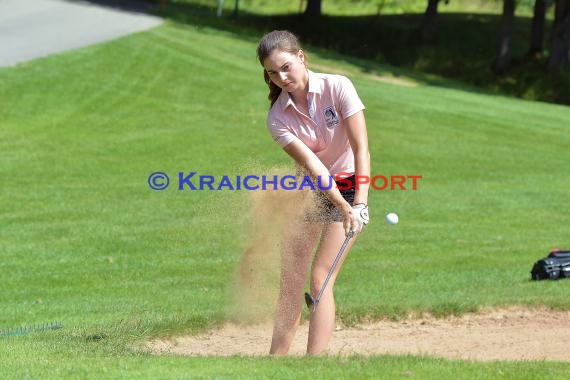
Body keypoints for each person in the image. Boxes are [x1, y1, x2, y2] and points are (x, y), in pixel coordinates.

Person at [256, 30, 371, 356]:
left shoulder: (338, 87)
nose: (282, 77)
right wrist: (341, 206)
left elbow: (362, 149)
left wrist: (358, 205)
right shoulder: (277, 117)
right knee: (291, 281)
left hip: (350, 184)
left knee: (320, 279)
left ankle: (313, 365)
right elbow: (312, 166)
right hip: (309, 188)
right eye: (273, 73)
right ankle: (275, 362)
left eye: (286, 67)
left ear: (301, 57)